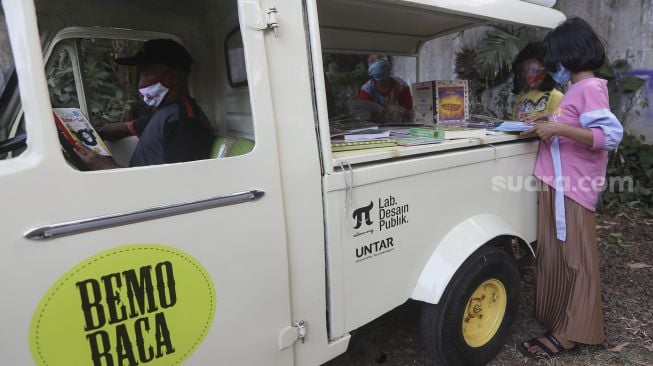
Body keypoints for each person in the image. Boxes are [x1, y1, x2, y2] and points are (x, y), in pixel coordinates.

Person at [518, 17, 623, 359]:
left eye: (556, 59)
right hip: (557, 184)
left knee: (575, 259)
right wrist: (545, 124)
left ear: (571, 54)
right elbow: (571, 125)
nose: (553, 67)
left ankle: (572, 332)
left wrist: (557, 130)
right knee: (556, 255)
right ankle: (558, 320)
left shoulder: (591, 88)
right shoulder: (575, 91)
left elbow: (608, 137)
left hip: (573, 189)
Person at [77, 39, 215, 169]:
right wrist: (85, 133)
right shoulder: (167, 113)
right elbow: (124, 128)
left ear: (171, 78)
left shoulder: (184, 123)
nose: (139, 84)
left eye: (145, 74)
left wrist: (108, 168)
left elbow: (177, 186)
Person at [512, 41, 564, 121]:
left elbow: (560, 125)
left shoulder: (556, 97)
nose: (528, 76)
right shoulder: (522, 96)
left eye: (534, 70)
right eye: (524, 71)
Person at [356, 55, 413, 123]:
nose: (378, 62)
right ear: (368, 70)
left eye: (381, 57)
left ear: (389, 63)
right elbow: (364, 119)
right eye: (372, 60)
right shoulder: (366, 91)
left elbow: (409, 115)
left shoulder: (402, 86)